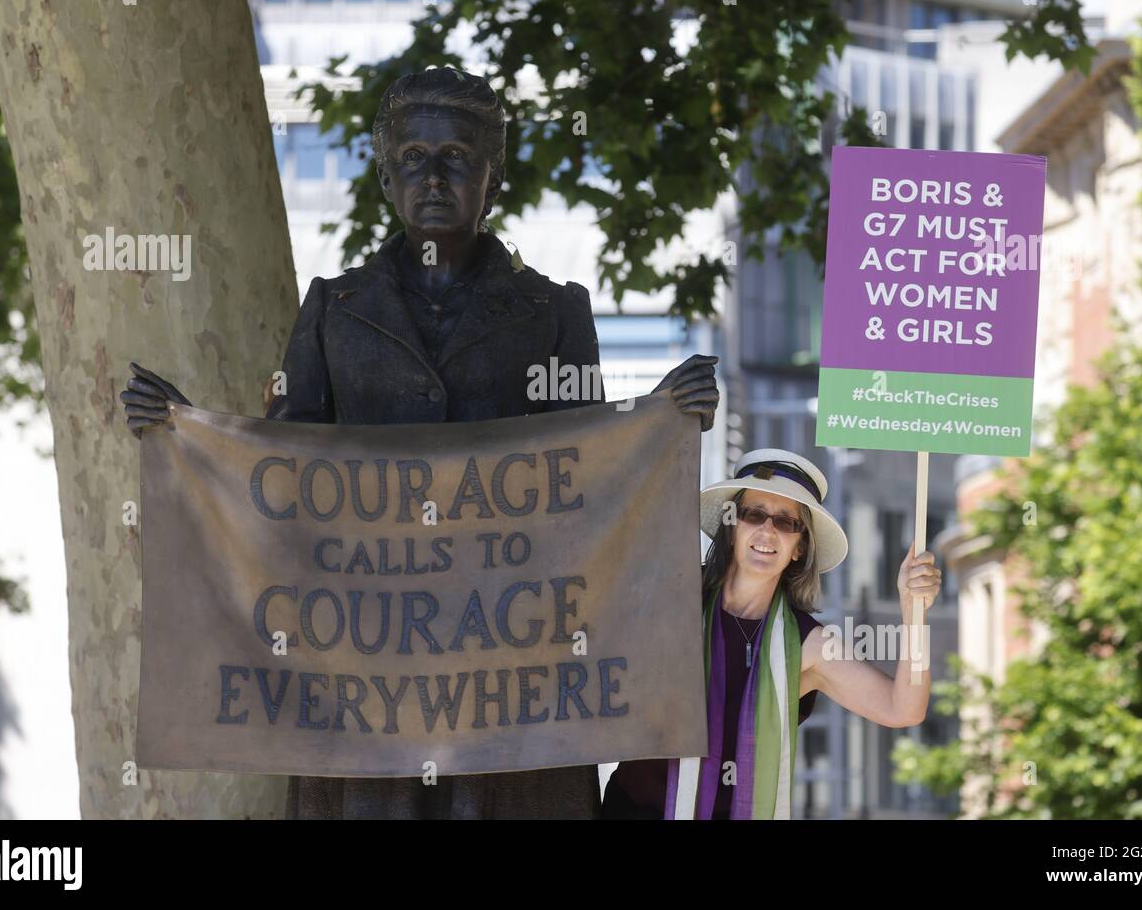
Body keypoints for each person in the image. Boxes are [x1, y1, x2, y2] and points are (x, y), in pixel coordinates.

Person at [120, 66, 719, 818]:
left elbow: (589, 479)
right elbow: (279, 475)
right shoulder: (333, 309)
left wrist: (662, 414)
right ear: (385, 176)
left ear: (492, 181)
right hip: (366, 682)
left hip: (513, 678)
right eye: (414, 159)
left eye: (458, 160)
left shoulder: (555, 310)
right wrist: (192, 439)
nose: (434, 177)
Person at [601, 448, 941, 819]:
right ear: (732, 528)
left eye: (785, 522)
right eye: (754, 515)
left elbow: (903, 708)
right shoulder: (672, 594)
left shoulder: (805, 645)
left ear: (800, 547)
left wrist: (913, 611)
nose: (767, 531)